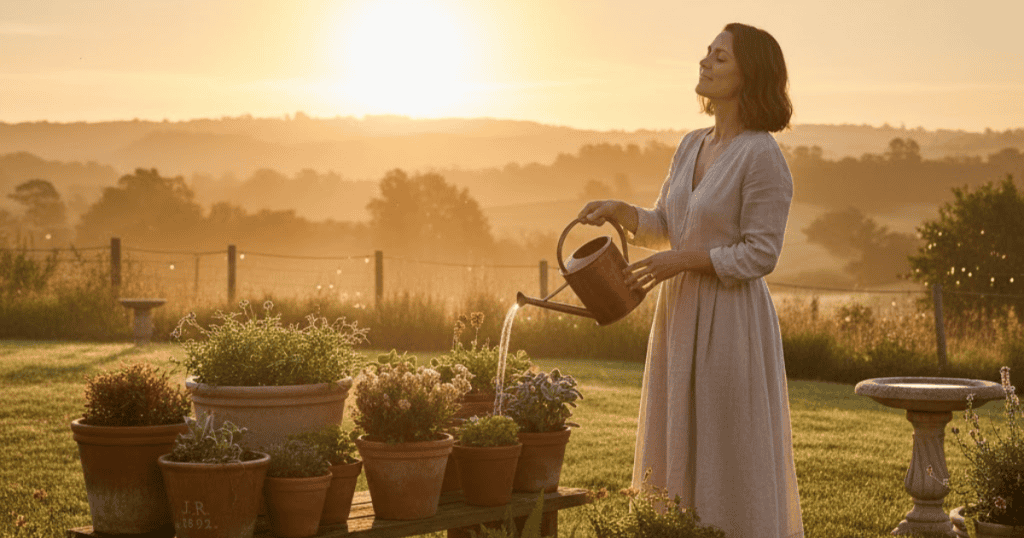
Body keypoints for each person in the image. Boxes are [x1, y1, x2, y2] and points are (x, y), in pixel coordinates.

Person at [577, 23, 803, 538]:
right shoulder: (690, 144)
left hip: (731, 322)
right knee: (675, 435)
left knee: (726, 444)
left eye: (720, 58)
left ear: (751, 76)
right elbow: (667, 222)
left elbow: (761, 253)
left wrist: (685, 262)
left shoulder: (762, 155)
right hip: (679, 315)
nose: (705, 62)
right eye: (708, 53)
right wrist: (624, 212)